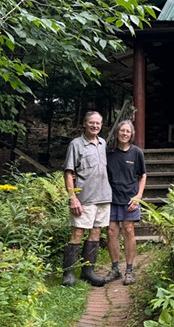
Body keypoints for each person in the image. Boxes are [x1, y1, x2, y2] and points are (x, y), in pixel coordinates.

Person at [61, 111, 111, 287]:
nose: (95, 126)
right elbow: (68, 173)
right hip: (84, 198)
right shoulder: (76, 144)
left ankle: (88, 271)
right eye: (92, 123)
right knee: (77, 233)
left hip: (103, 196)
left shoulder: (102, 143)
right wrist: (72, 197)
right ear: (84, 124)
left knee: (96, 232)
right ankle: (69, 274)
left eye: (98, 123)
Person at [104, 120, 147, 285]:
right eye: (122, 130)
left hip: (130, 199)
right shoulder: (109, 153)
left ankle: (129, 270)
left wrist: (138, 196)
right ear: (117, 132)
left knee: (128, 230)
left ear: (132, 134)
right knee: (111, 232)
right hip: (111, 198)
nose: (124, 133)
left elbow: (143, 175)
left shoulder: (137, 153)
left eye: (127, 131)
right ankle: (115, 269)